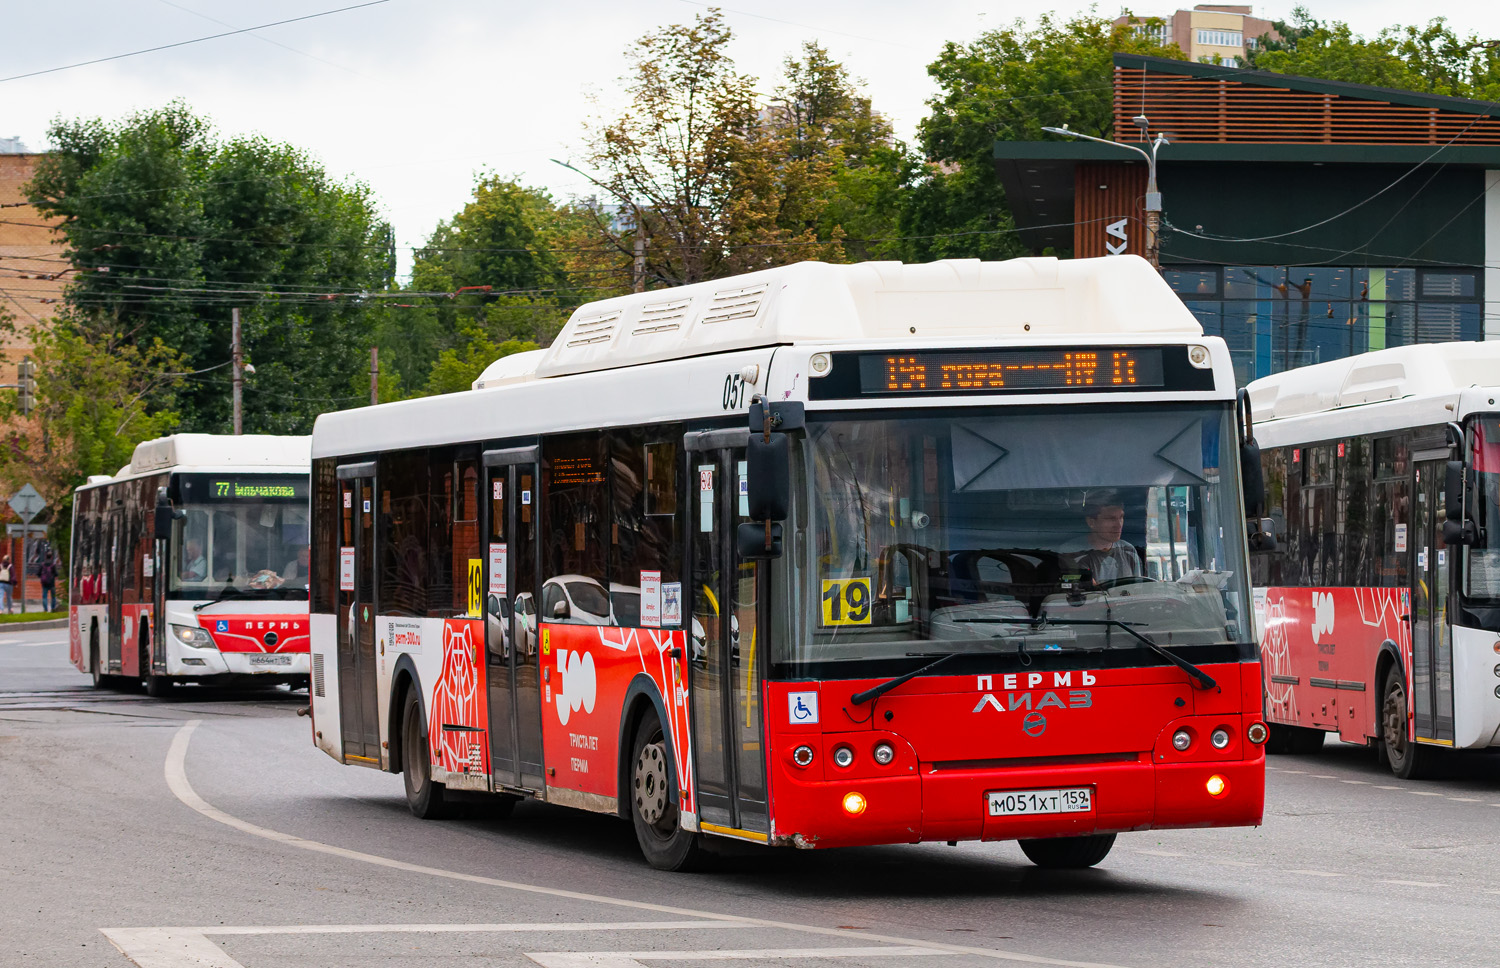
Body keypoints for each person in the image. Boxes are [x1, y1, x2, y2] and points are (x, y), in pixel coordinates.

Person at [1063, 491, 1143, 584]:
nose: (1119, 525)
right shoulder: (1072, 552)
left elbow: (1137, 590)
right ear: (1091, 522)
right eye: (1111, 519)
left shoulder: (1128, 551)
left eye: (1121, 517)